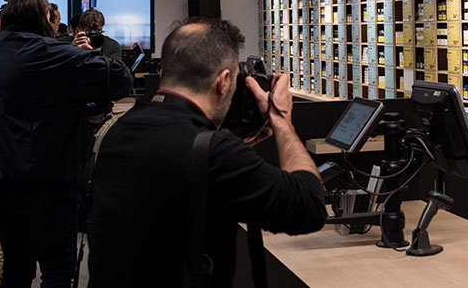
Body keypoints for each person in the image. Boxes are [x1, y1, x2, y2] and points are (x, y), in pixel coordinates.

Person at [86, 18, 326, 288]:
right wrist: (280, 118)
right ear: (224, 82)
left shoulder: (116, 130)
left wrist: (224, 147)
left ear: (165, 69)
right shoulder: (214, 154)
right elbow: (309, 207)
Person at [0, 0, 133, 288]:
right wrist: (84, 53)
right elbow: (120, 79)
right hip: (49, 184)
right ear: (45, 18)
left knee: (17, 267)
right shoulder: (63, 58)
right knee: (57, 271)